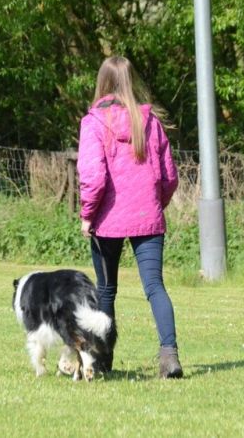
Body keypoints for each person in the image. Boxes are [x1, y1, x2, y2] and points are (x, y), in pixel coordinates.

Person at [76, 55, 182, 379]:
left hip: (107, 220)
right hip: (147, 215)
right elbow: (169, 177)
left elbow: (93, 177)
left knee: (106, 291)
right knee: (155, 287)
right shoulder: (150, 122)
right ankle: (170, 356)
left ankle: (103, 359)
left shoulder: (93, 123)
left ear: (103, 82)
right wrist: (155, 204)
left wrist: (87, 214)